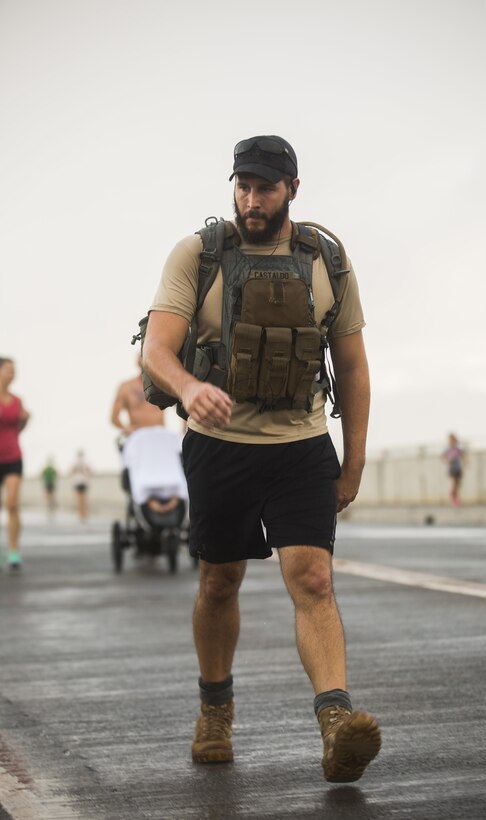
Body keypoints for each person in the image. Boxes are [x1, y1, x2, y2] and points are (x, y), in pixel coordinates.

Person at [142, 135, 381, 783]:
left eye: (264, 188)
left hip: (301, 447)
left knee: (313, 580)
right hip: (219, 448)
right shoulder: (200, 253)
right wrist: (189, 387)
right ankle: (214, 710)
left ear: (292, 190)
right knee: (220, 581)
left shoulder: (325, 259)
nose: (251, 200)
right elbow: (156, 350)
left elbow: (352, 366)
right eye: (242, 186)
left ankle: (336, 725)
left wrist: (352, 459)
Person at [0, 356, 30, 571]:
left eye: (14, 370)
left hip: (13, 456)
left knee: (12, 504)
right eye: (9, 369)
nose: (12, 373)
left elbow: (19, 427)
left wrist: (26, 419)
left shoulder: (17, 400)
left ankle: (13, 551)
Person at [110, 355, 165, 436]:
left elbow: (182, 404)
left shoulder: (162, 384)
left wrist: (183, 430)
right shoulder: (126, 387)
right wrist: (126, 429)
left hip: (160, 435)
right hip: (138, 436)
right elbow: (114, 417)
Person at [443, 432, 466, 506]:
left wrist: (466, 460)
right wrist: (448, 461)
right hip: (452, 468)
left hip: (458, 467)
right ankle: (454, 497)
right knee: (455, 482)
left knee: (458, 483)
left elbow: (462, 454)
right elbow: (444, 457)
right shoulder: (448, 448)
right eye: (451, 440)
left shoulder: (458, 448)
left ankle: (455, 496)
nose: (452, 441)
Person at [70, 450, 92, 522]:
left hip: (77, 481)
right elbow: (89, 470)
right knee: (84, 499)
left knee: (79, 499)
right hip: (84, 481)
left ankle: (80, 514)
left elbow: (71, 471)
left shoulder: (75, 462)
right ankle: (84, 513)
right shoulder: (85, 462)